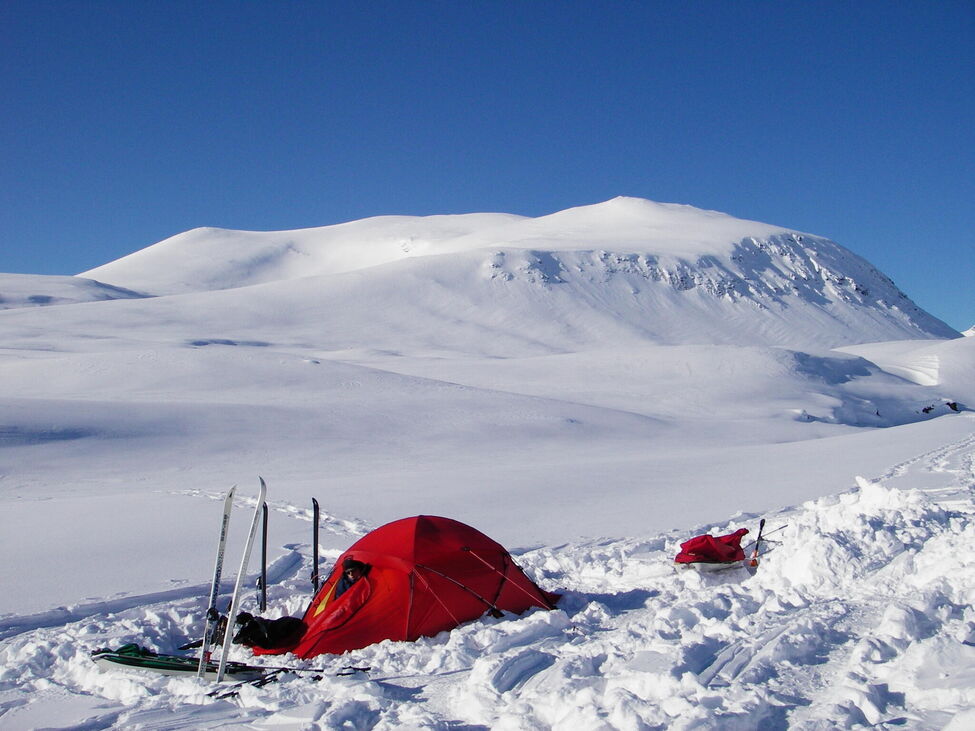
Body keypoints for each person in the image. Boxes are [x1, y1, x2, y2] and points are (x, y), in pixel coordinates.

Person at [233, 612, 307, 650]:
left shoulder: (252, 627)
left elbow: (236, 640)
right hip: (288, 622)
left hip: (287, 626)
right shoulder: (257, 622)